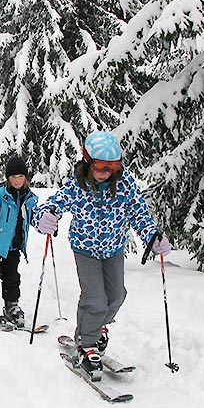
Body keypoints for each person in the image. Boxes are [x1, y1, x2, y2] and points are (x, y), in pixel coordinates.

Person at [32, 131, 171, 380]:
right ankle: (87, 344)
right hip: (85, 249)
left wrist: (153, 236)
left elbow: (139, 213)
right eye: (101, 166)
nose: (107, 172)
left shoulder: (124, 183)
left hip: (114, 249)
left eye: (113, 166)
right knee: (95, 300)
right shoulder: (77, 185)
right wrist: (45, 216)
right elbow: (54, 203)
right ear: (87, 162)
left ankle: (94, 330)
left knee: (117, 296)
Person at [0, 156, 38, 327]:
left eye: (20, 177)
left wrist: (45, 224)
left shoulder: (29, 198)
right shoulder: (0, 195)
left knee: (12, 276)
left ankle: (11, 304)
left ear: (26, 178)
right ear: (7, 178)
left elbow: (35, 216)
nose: (17, 180)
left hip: (14, 245)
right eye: (13, 177)